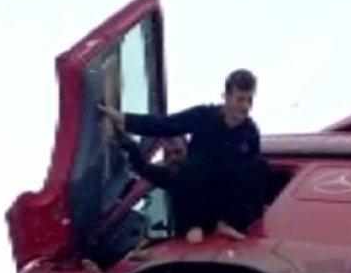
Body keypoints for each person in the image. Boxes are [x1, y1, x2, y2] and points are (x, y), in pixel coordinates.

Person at [101, 68, 265, 243]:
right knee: (197, 165)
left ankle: (227, 223)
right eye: (240, 99)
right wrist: (123, 119)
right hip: (197, 193)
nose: (245, 106)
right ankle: (193, 225)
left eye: (249, 100)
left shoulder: (250, 133)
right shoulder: (203, 116)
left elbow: (250, 183)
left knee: (256, 167)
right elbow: (165, 124)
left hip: (225, 200)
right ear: (226, 97)